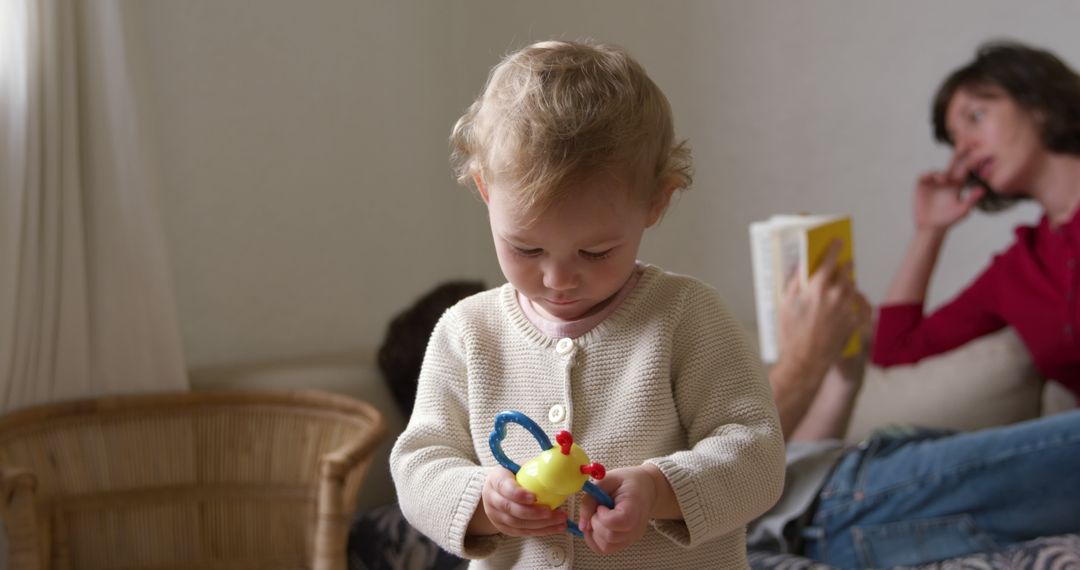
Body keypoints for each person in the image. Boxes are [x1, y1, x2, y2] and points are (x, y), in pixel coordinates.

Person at [389, 40, 785, 568]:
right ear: (485, 190)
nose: (557, 278)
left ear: (656, 202)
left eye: (595, 251)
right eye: (525, 248)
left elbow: (757, 455)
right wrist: (482, 499)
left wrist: (659, 489)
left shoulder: (687, 317)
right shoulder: (467, 332)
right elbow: (419, 463)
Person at [750, 240, 1080, 569]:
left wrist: (844, 376)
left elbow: (793, 459)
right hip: (834, 508)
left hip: (837, 487)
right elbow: (727, 468)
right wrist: (808, 354)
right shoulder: (1021, 261)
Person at [871, 40, 1080, 403]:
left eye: (976, 117)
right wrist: (929, 232)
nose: (963, 147)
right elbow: (893, 351)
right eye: (954, 139)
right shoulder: (1020, 269)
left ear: (1039, 103)